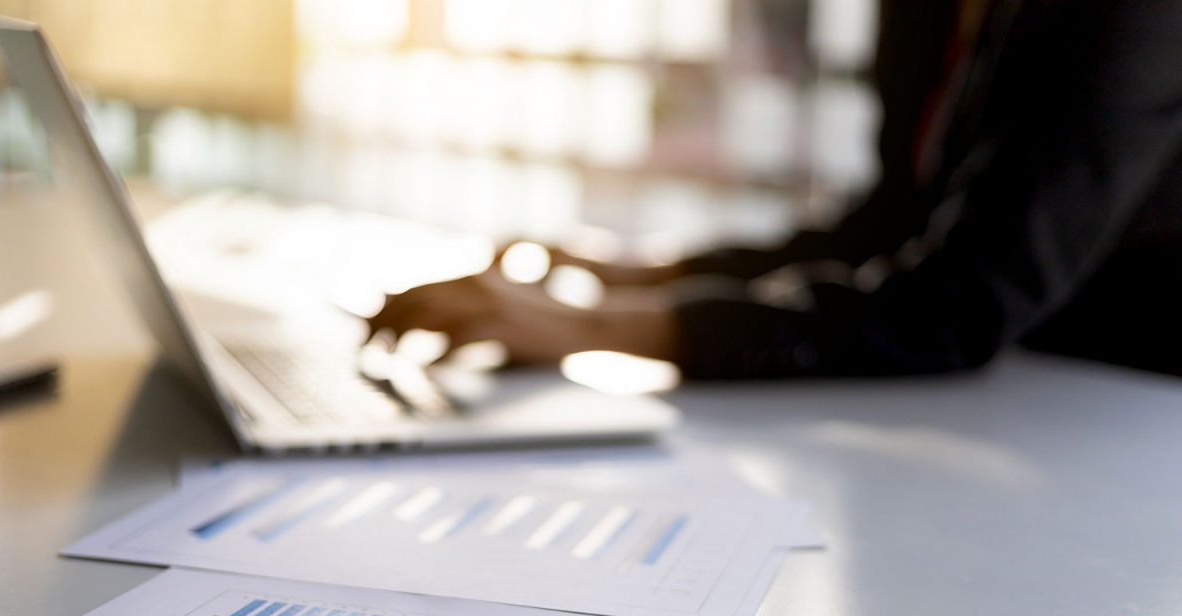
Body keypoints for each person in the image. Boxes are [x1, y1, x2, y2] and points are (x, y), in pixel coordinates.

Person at [371, 0, 1182, 379]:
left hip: (1118, 420)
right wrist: (648, 274)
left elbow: (959, 304)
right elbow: (887, 226)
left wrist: (591, 327)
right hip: (1006, 398)